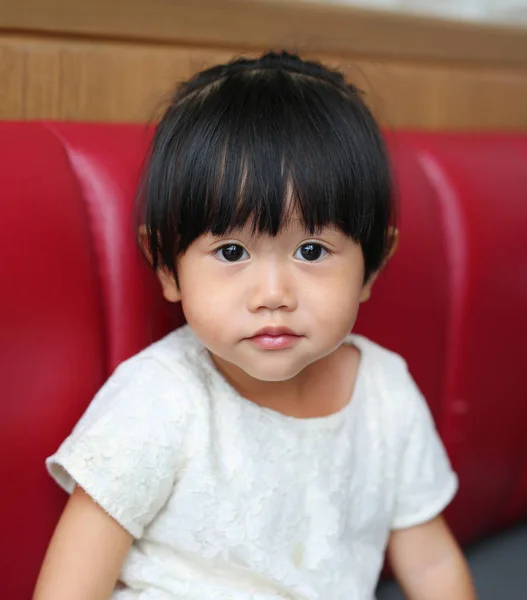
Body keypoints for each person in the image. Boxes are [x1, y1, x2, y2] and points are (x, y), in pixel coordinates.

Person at [34, 51, 475, 600]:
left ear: (373, 265)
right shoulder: (161, 398)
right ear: (167, 266)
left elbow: (431, 565)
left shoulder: (385, 393)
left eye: (312, 250)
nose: (273, 295)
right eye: (232, 250)